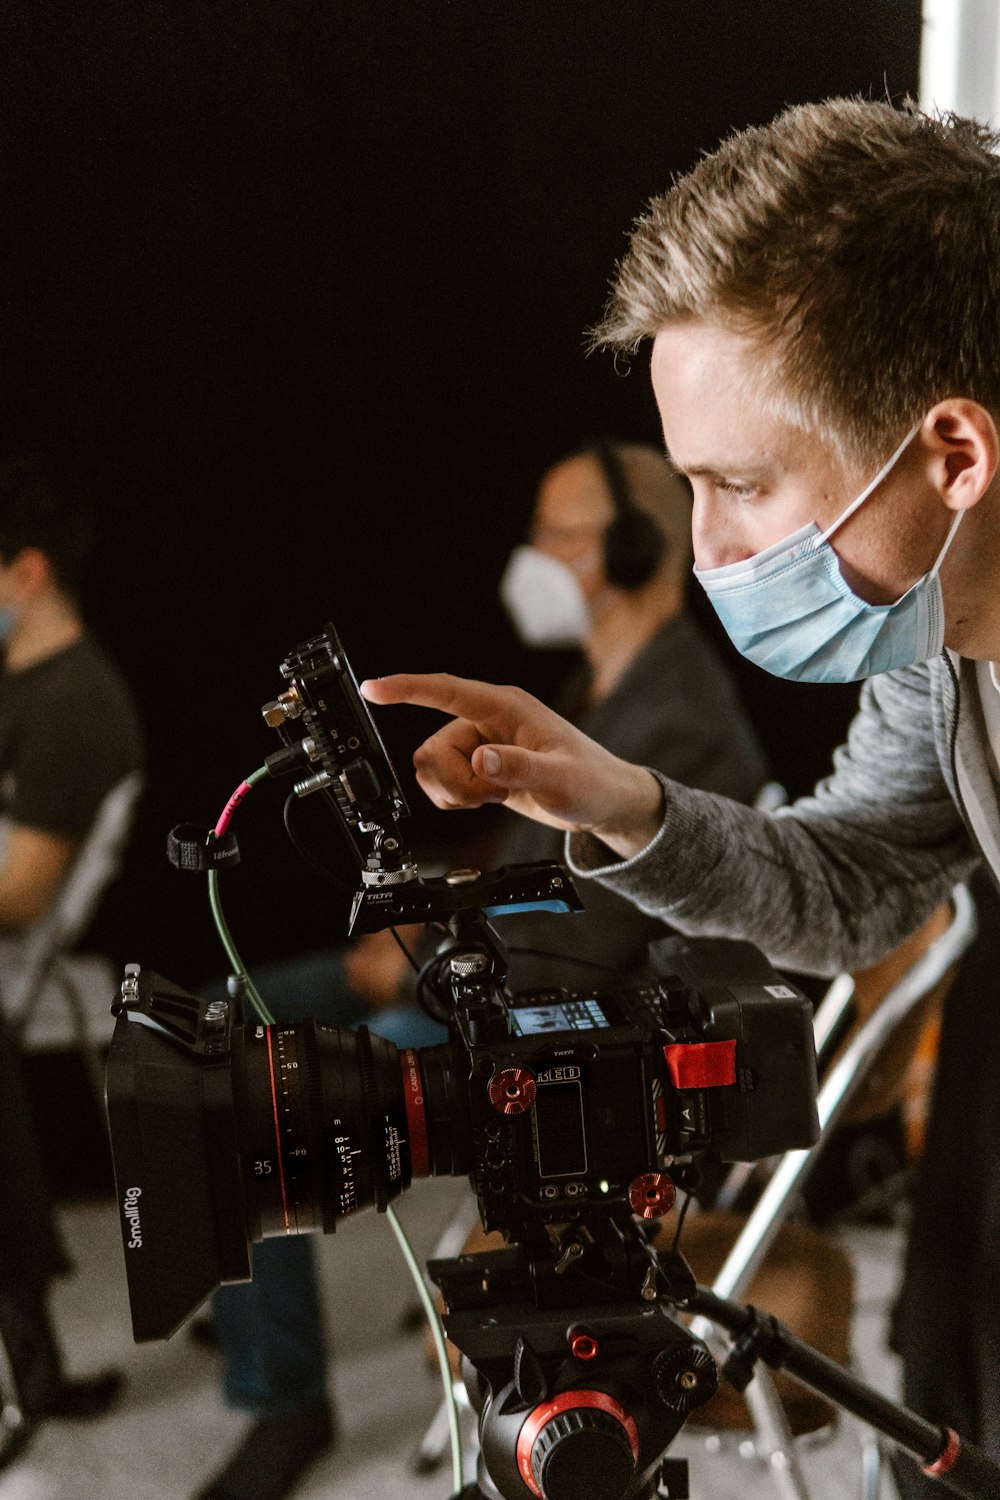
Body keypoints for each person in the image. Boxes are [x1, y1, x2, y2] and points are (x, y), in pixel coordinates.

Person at [360, 99, 1000, 1493]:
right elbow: (845, 888)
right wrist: (624, 801)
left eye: (744, 487)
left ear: (954, 456)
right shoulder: (939, 654)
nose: (708, 548)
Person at [193, 438, 768, 1500]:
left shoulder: (673, 714)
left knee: (244, 1073)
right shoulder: (603, 683)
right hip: (484, 969)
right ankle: (250, 1298)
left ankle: (281, 1393)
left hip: (551, 1023)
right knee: (218, 1021)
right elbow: (534, 870)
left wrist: (400, 968)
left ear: (634, 548)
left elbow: (571, 947)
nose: (528, 556)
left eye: (554, 533)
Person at [0, 456, 144, 1462]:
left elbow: (19, 893)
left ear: (28, 572)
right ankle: (33, 1372)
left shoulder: (74, 708)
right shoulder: (20, 679)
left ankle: (27, 1382)